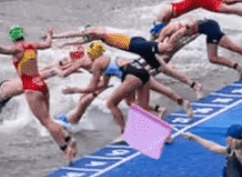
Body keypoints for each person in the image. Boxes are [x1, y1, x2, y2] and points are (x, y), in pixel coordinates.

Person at [0, 26, 77, 163]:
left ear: (12, 38)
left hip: (31, 87)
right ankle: (66, 139)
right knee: (47, 119)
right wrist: (49, 34)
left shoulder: (16, 49)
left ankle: (67, 147)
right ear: (23, 35)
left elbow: (1, 49)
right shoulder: (32, 45)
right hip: (40, 83)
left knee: (46, 122)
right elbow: (48, 44)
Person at [60, 42, 194, 133]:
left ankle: (124, 132)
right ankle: (179, 105)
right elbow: (103, 84)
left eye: (89, 54)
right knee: (147, 99)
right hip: (139, 70)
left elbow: (93, 86)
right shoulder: (108, 57)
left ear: (93, 54)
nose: (88, 57)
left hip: (131, 76)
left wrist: (75, 90)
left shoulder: (97, 63)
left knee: (111, 103)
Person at [54, 27, 204, 98]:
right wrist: (61, 40)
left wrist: (59, 37)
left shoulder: (98, 33)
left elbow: (79, 35)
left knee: (167, 48)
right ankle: (195, 85)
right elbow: (79, 38)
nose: (87, 38)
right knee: (165, 69)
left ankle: (188, 29)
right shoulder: (97, 38)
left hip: (136, 45)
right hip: (137, 47)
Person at [166, 18, 242, 78]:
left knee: (232, 47)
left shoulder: (183, 29)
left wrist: (189, 26)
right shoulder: (176, 33)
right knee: (212, 58)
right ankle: (239, 67)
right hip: (208, 29)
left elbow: (191, 22)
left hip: (211, 28)